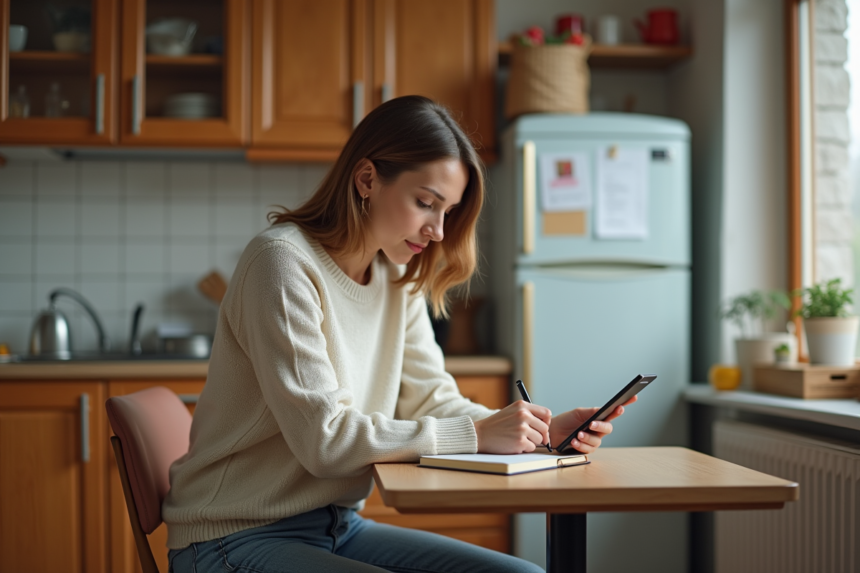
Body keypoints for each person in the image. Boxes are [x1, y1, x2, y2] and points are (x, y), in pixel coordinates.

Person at [163, 95, 635, 573]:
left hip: (337, 526)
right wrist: (475, 433)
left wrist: (535, 433)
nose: (438, 231)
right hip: (232, 536)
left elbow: (432, 401)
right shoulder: (281, 263)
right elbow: (326, 442)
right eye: (426, 203)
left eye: (448, 211)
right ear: (367, 179)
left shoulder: (395, 277)